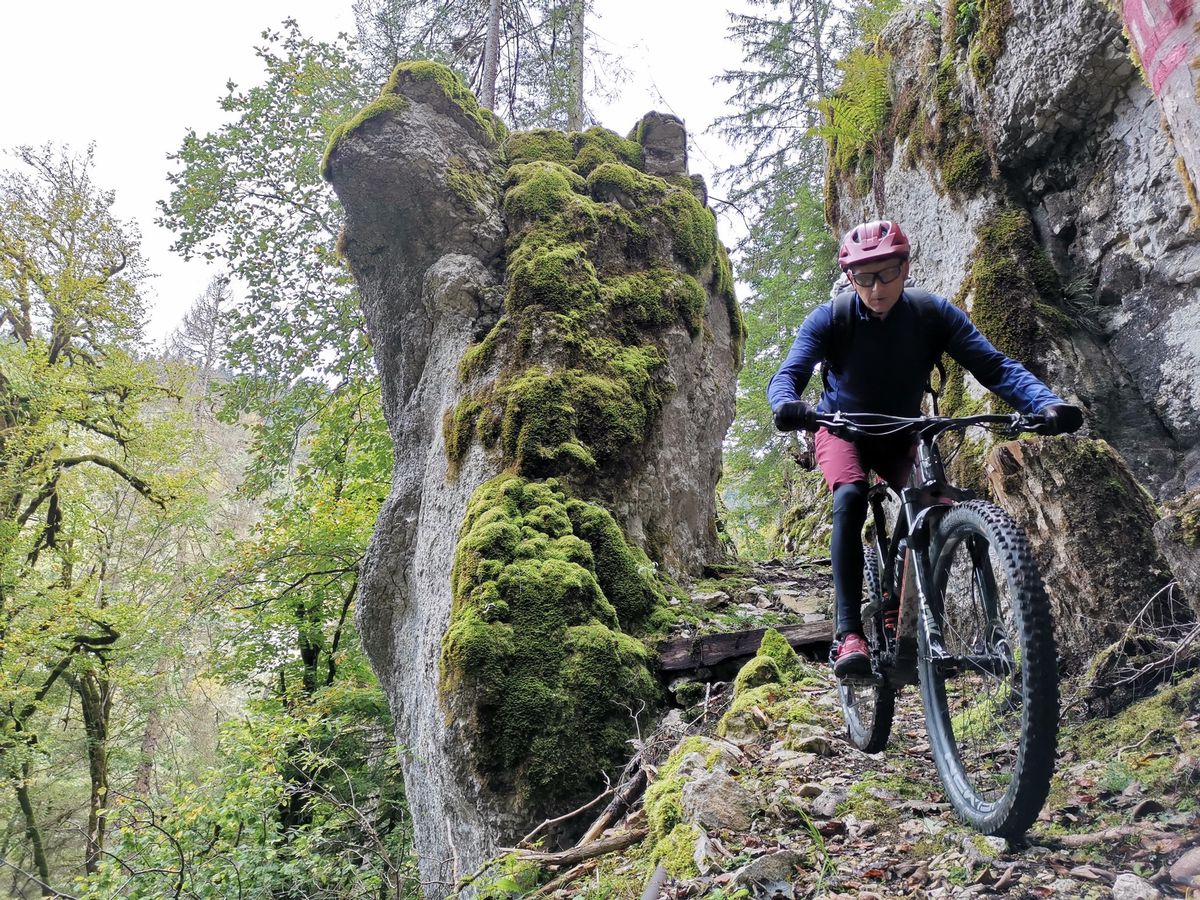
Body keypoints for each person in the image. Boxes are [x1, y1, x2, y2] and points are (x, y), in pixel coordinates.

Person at [767, 220, 1083, 679]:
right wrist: (787, 404)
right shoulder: (831, 318)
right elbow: (789, 372)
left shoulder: (931, 314)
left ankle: (917, 615)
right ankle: (848, 633)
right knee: (850, 497)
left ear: (906, 267)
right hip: (841, 430)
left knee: (936, 504)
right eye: (866, 277)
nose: (878, 288)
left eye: (889, 273)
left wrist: (1045, 403)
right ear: (850, 277)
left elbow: (994, 366)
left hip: (902, 431)